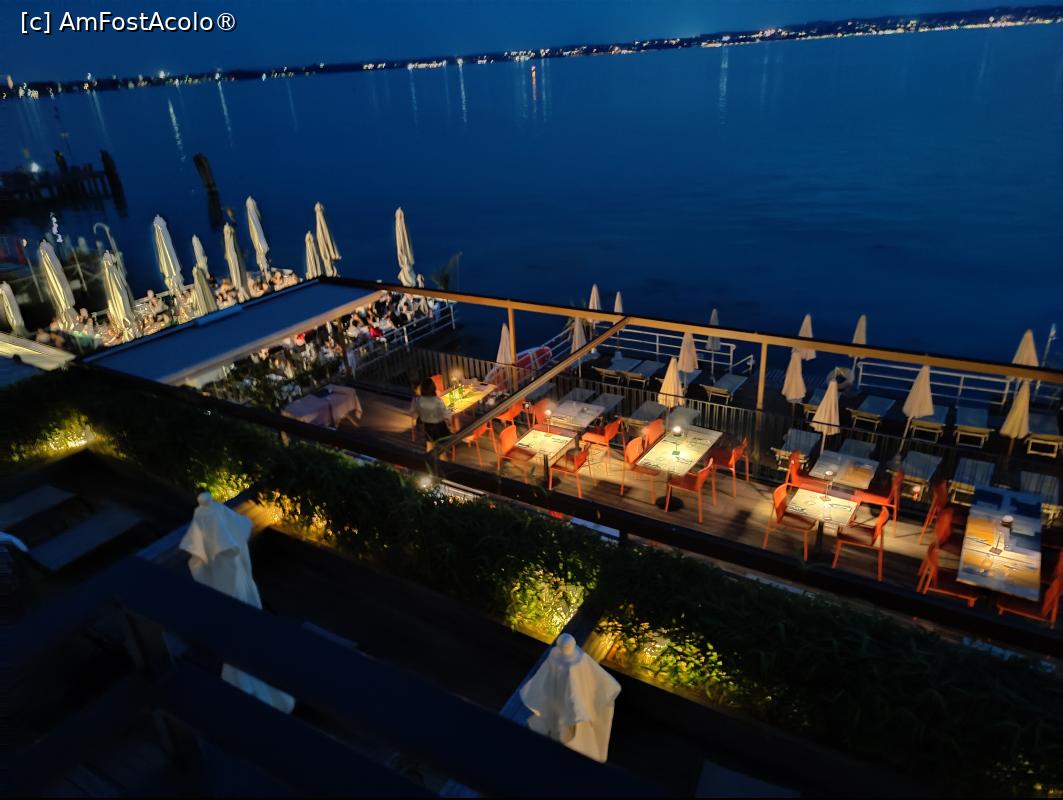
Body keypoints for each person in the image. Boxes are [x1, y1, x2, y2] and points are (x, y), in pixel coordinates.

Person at [410, 376, 453, 450]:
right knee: (442, 451)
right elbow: (446, 414)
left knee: (430, 448)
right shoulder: (437, 401)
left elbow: (416, 416)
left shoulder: (420, 402)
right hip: (441, 429)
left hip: (429, 430)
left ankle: (430, 457)